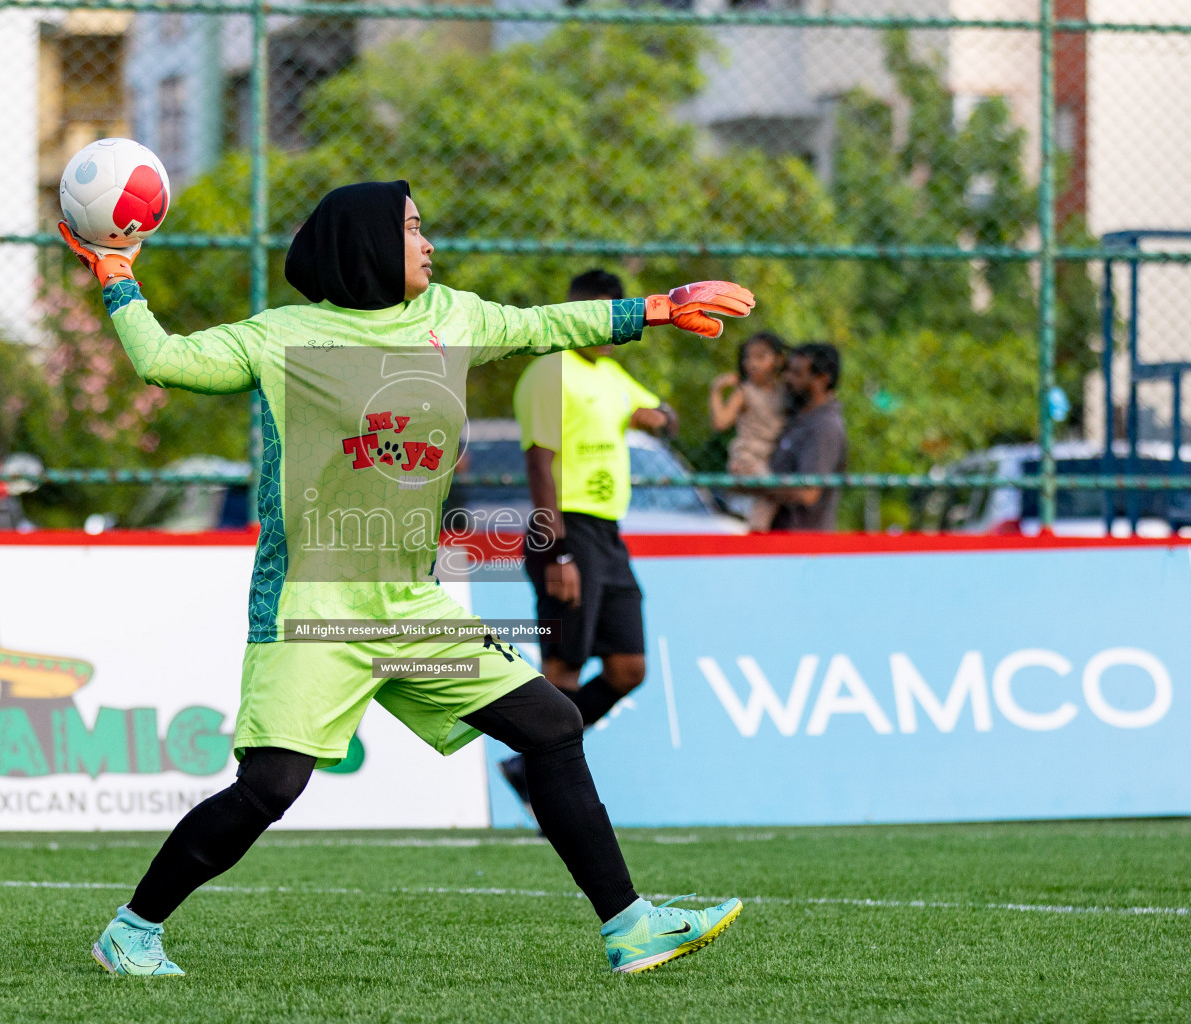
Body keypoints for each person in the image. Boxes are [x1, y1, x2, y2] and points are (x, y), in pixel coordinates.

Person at [58, 180, 755, 976]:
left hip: (409, 602)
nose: (428, 244)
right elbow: (164, 362)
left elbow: (543, 326)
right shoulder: (281, 337)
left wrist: (654, 309)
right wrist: (118, 275)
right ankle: (133, 930)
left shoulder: (450, 316)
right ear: (364, 244)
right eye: (414, 228)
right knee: (271, 787)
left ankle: (630, 928)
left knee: (553, 725)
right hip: (311, 603)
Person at [497, 269, 677, 816]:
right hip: (566, 530)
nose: (610, 325)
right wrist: (558, 551)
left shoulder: (612, 375)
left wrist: (652, 414)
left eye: (617, 314)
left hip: (609, 534)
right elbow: (538, 465)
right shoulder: (551, 372)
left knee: (628, 668)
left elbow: (666, 417)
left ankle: (527, 769)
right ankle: (548, 789)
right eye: (601, 313)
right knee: (562, 670)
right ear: (575, 312)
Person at [708, 332, 788, 532]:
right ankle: (756, 536)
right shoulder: (745, 392)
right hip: (748, 460)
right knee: (772, 492)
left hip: (772, 460)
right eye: (748, 358)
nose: (752, 364)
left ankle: (757, 534)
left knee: (767, 502)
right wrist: (716, 391)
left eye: (760, 357)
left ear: (778, 360)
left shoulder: (784, 392)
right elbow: (721, 422)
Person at [764, 342, 847, 532]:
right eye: (788, 371)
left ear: (822, 379)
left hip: (802, 545)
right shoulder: (797, 418)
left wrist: (756, 485)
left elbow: (808, 492)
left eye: (797, 373)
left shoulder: (824, 427)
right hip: (777, 539)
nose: (787, 379)